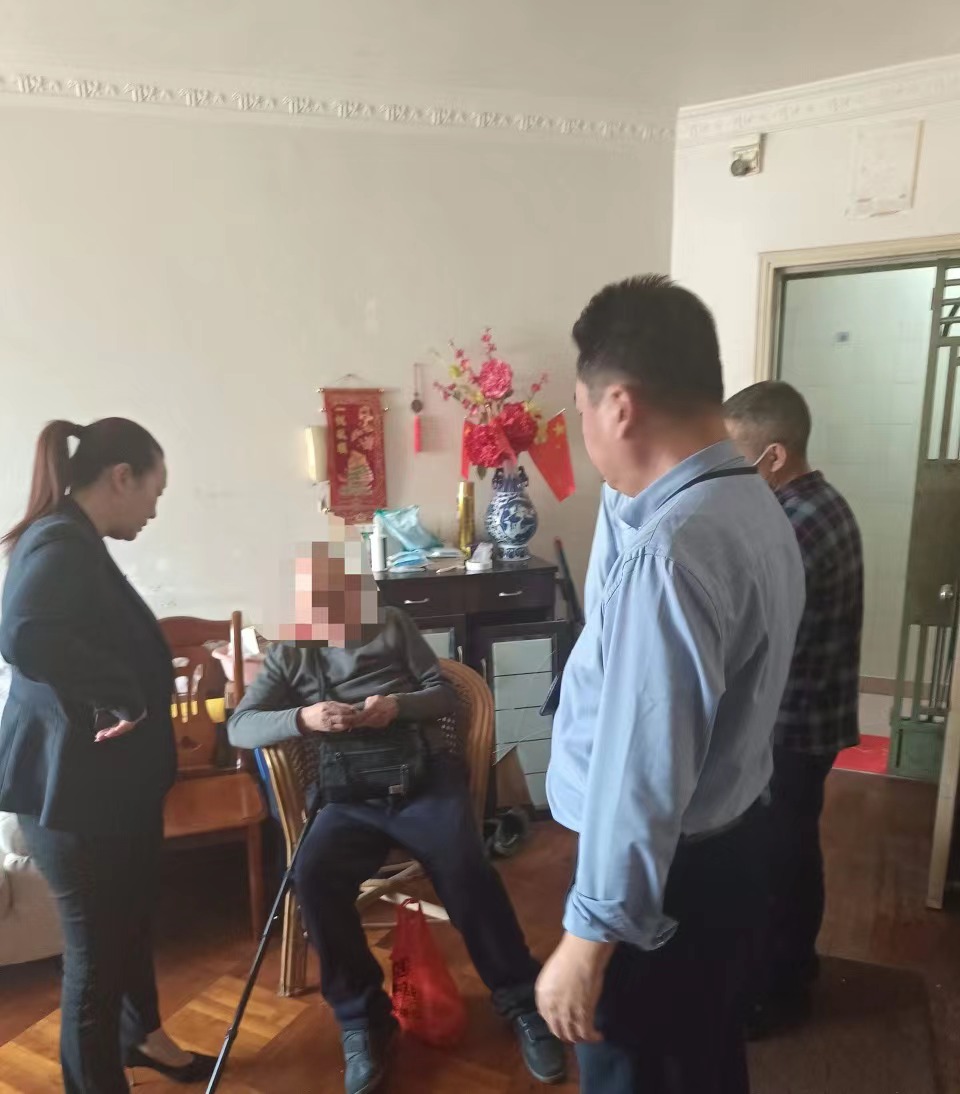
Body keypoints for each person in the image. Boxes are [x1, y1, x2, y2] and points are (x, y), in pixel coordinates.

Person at [535, 275, 806, 1094]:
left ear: (619, 407)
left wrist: (588, 940)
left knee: (642, 1072)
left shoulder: (672, 553)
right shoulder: (753, 504)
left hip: (665, 885)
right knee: (704, 1061)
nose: (582, 432)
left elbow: (642, 772)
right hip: (731, 852)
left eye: (581, 410)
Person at [228, 524, 566, 1094]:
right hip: (348, 794)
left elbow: (446, 692)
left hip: (422, 778)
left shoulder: (392, 625)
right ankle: (363, 1020)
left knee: (464, 864)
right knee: (313, 875)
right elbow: (240, 727)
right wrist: (304, 718)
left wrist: (398, 706)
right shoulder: (290, 653)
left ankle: (520, 1001)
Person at [0, 419, 216, 1093]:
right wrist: (121, 693)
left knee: (130, 924)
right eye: (155, 491)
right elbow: (23, 634)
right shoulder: (61, 541)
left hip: (106, 790)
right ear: (122, 477)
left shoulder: (72, 537)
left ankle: (142, 1037)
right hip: (74, 799)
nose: (154, 508)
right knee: (95, 961)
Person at [724, 380, 864, 1036]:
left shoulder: (795, 524)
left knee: (777, 858)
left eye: (738, 455)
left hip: (793, 722)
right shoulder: (821, 503)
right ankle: (793, 969)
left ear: (774, 455)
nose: (731, 471)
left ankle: (775, 993)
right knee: (793, 849)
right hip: (812, 715)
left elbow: (765, 636)